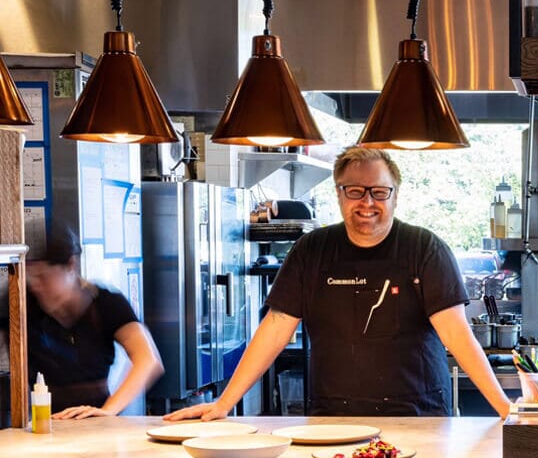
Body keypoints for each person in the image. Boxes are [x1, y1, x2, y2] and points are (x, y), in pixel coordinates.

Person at [166, 147, 510, 420]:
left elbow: (457, 335)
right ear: (339, 194)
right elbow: (275, 328)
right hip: (332, 420)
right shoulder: (311, 250)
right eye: (355, 191)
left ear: (395, 196)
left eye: (378, 191)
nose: (367, 202)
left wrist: (504, 408)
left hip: (417, 417)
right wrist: (224, 403)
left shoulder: (425, 249)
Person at [25, 223, 164, 418]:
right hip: (42, 422)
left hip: (96, 422)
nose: (36, 287)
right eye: (31, 278)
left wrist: (107, 411)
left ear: (71, 266)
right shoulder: (23, 305)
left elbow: (148, 360)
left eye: (43, 277)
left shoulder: (107, 303)